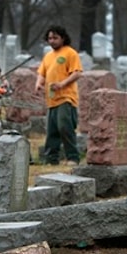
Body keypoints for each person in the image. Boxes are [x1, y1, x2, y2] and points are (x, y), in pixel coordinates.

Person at [34, 25, 82, 166]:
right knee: (52, 130)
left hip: (66, 97)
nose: (52, 41)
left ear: (63, 38)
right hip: (51, 99)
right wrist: (38, 84)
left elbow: (77, 73)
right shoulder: (48, 56)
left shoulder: (70, 53)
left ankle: (72, 157)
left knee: (64, 127)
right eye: (49, 38)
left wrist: (62, 84)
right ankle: (51, 159)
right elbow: (42, 73)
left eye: (55, 38)